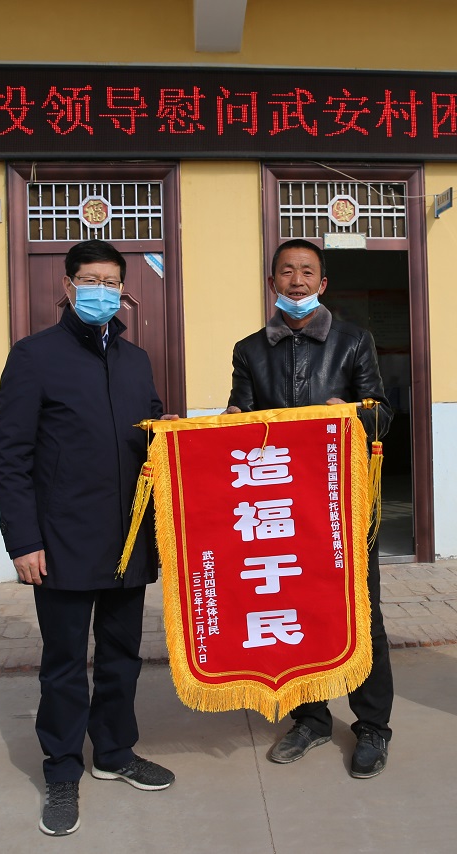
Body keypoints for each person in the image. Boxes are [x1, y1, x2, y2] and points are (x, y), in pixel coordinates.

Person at [0, 239, 175, 837]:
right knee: (65, 664)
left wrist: (168, 432)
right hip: (63, 540)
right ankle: (62, 771)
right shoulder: (34, 357)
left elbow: (148, 434)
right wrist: (23, 541)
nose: (101, 291)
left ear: (123, 290)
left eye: (110, 282)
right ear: (68, 287)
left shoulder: (136, 360)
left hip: (128, 539)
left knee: (122, 658)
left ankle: (115, 753)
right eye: (89, 281)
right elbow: (11, 457)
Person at [226, 238, 394, 779]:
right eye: (286, 272)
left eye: (306, 272)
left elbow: (383, 414)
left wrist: (354, 414)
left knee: (360, 611)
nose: (296, 281)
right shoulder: (249, 350)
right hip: (281, 509)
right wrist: (230, 421)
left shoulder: (354, 341)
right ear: (272, 282)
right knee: (294, 610)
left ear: (322, 284)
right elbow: (241, 417)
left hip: (342, 503)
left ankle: (373, 726)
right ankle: (311, 719)